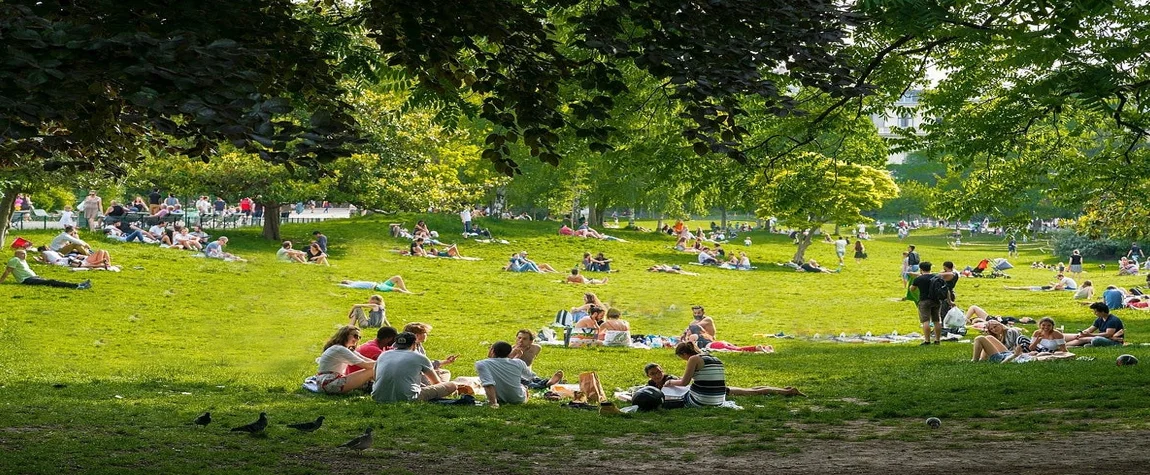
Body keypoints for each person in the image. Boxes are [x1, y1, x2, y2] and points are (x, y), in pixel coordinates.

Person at [371, 332, 459, 403]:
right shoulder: (419, 357)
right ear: (414, 344)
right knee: (452, 385)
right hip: (408, 397)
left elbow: (375, 377)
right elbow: (436, 382)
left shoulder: (383, 355)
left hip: (378, 397)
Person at [644, 363, 803, 397]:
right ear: (649, 376)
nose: (657, 375)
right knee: (752, 390)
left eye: (658, 372)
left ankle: (788, 391)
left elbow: (680, 384)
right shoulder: (651, 385)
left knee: (752, 392)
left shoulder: (669, 379)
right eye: (653, 374)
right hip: (708, 392)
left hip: (711, 392)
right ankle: (786, 389)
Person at [663, 342, 727, 407]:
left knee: (671, 396)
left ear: (684, 354)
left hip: (702, 400)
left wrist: (670, 382)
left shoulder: (693, 359)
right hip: (719, 400)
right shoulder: (716, 359)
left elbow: (684, 383)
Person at [314, 326, 376, 394]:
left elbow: (366, 360)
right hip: (328, 383)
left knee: (373, 371)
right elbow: (365, 365)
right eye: (355, 336)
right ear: (345, 335)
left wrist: (383, 363)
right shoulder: (339, 349)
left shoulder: (345, 349)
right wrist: (385, 364)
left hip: (325, 383)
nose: (357, 339)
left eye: (359, 337)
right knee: (371, 371)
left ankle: (372, 387)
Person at [682, 306, 771, 352]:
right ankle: (765, 348)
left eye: (699, 313)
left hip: (712, 343)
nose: (697, 315)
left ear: (703, 312)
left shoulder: (706, 320)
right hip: (714, 343)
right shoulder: (693, 324)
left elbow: (696, 327)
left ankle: (756, 348)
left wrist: (687, 332)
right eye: (695, 313)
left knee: (737, 350)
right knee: (737, 348)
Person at [475, 341, 537, 408]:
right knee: (523, 386)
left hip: (498, 399)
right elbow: (530, 376)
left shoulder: (482, 364)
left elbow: (488, 384)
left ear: (492, 351)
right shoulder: (519, 362)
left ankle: (494, 402)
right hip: (518, 399)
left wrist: (493, 404)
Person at [909, 261, 955, 345]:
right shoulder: (938, 277)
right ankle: (937, 340)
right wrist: (949, 301)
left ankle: (927, 340)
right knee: (937, 320)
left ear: (921, 269)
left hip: (924, 301)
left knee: (925, 321)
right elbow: (946, 290)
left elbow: (912, 289)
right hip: (936, 300)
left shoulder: (919, 279)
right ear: (930, 268)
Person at [2, 250, 91, 289]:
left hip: (33, 277)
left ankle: (79, 285)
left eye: (25, 254)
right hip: (26, 279)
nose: (24, 255)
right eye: (22, 254)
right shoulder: (15, 260)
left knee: (50, 281)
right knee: (51, 281)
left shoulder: (22, 261)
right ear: (16, 254)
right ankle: (77, 286)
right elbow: (7, 271)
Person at [338, 275, 413, 293]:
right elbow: (341, 285)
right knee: (397, 289)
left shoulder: (355, 282)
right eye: (346, 281)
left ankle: (406, 290)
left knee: (397, 277)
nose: (348, 280)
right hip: (377, 287)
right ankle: (410, 294)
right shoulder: (352, 286)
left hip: (381, 284)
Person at [1003, 273, 1077, 291]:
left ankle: (1010, 287)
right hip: (1071, 287)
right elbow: (1059, 285)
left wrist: (1052, 287)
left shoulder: (1064, 279)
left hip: (1071, 288)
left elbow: (1059, 286)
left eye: (1058, 278)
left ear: (1060, 277)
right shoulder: (1065, 279)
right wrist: (1053, 285)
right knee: (1024, 288)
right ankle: (1010, 287)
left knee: (1025, 288)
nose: (1058, 279)